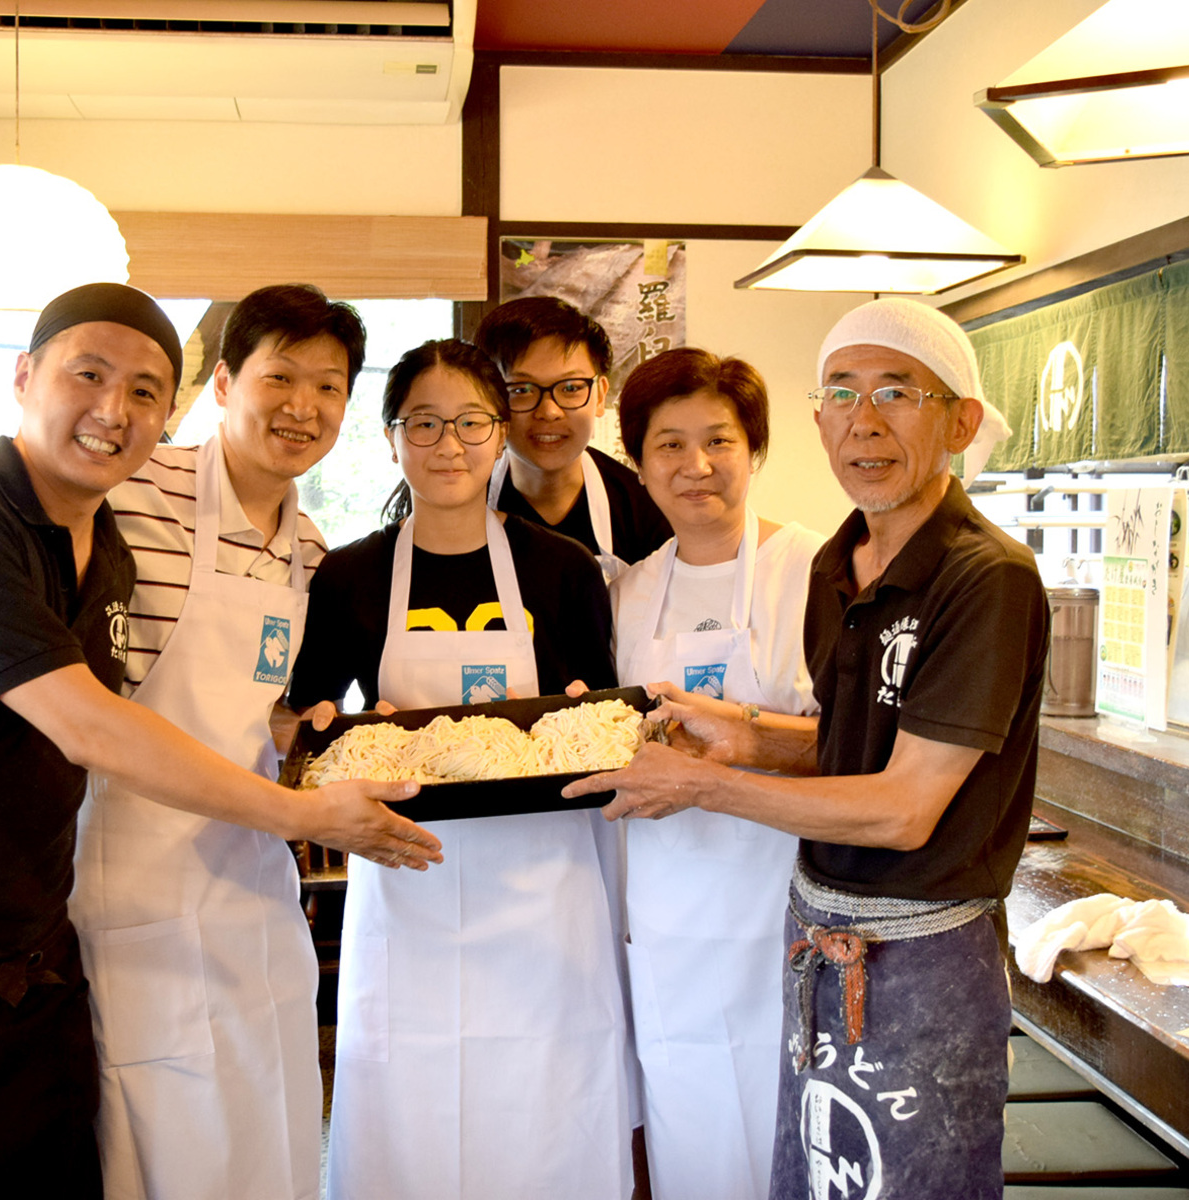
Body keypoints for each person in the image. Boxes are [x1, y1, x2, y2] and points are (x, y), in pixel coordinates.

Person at [0, 283, 441, 1200]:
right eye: (279, 376)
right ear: (219, 386)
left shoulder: (309, 549)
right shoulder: (116, 488)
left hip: (193, 890)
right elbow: (77, 706)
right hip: (59, 890)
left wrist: (297, 732)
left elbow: (268, 703)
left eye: (329, 387)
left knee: (259, 1134)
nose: (302, 406)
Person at [567, 298, 1045, 1200]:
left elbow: (904, 808)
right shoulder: (845, 564)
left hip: (922, 952)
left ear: (961, 421)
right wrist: (744, 734)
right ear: (819, 418)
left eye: (896, 393)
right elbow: (847, 740)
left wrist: (707, 783)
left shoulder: (987, 578)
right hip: (816, 932)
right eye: (843, 394)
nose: (865, 422)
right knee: (807, 1176)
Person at [287, 339, 633, 1199]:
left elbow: (604, 715)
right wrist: (334, 731)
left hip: (545, 880)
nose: (450, 445)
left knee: (546, 1091)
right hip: (410, 868)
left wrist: (591, 711)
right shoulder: (352, 573)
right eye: (425, 424)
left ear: (501, 428)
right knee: (412, 1090)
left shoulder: (560, 568)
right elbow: (309, 718)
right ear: (391, 435)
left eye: (472, 422)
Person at [608, 347, 823, 1200]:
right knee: (689, 1116)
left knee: (790, 1114)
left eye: (719, 441)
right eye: (668, 445)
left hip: (783, 896)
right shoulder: (629, 589)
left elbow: (852, 742)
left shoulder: (813, 569)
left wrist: (739, 738)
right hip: (665, 907)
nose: (695, 467)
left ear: (755, 449)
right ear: (638, 462)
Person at [475, 296, 671, 579]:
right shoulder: (462, 498)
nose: (549, 411)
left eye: (570, 388)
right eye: (520, 390)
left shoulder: (644, 509)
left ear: (601, 395)